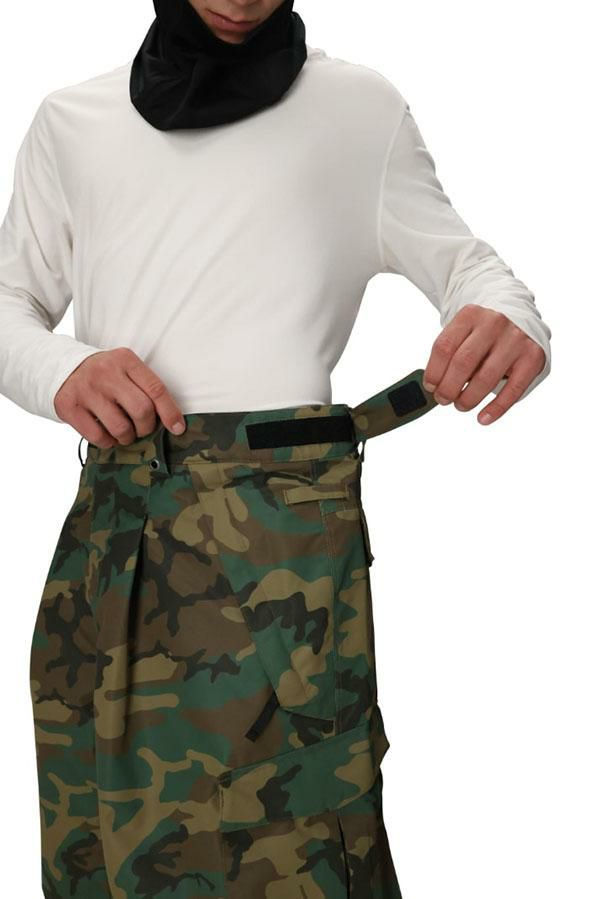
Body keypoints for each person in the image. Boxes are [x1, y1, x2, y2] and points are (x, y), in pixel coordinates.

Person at [0, 1, 552, 897]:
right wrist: (61, 369)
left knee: (301, 850)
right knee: (92, 854)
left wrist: (507, 317)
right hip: (110, 543)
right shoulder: (73, 121)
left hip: (281, 558)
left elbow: (470, 267)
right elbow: (7, 301)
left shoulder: (357, 110)